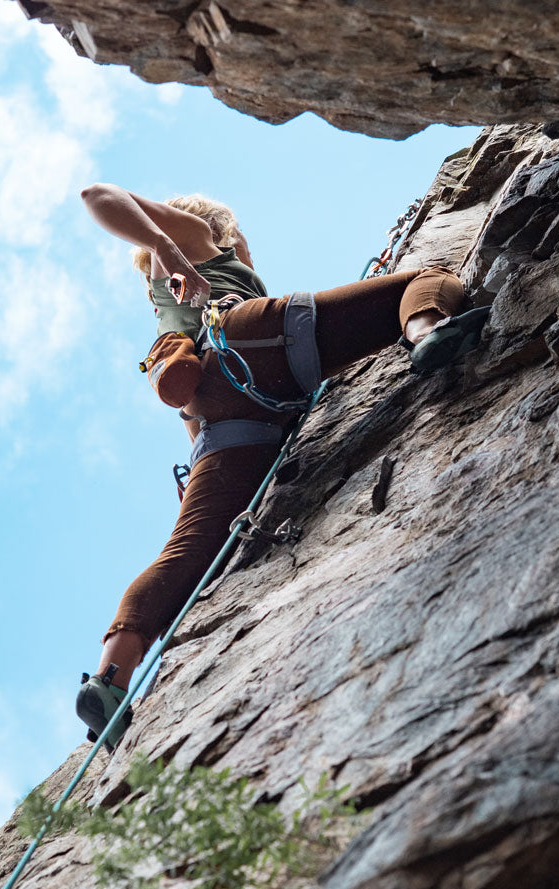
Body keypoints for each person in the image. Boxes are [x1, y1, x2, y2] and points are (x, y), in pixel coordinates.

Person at [75, 183, 490, 751]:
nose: (246, 242)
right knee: (427, 278)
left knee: (188, 553)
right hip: (253, 339)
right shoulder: (197, 241)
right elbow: (97, 194)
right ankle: (426, 331)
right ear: (223, 230)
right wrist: (168, 245)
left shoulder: (165, 316)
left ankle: (109, 679)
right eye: (240, 233)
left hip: (217, 417)